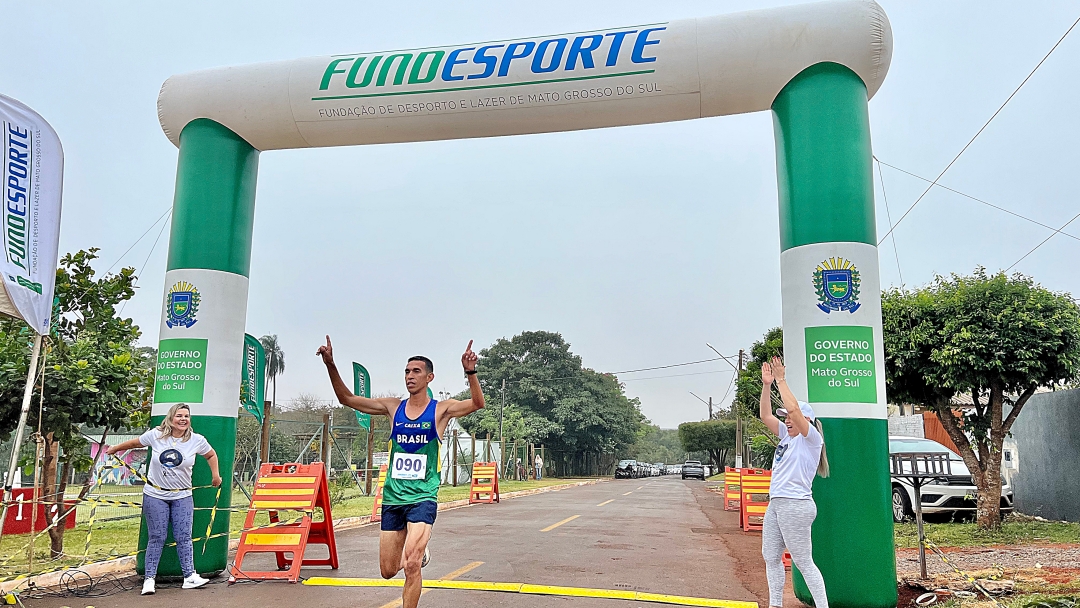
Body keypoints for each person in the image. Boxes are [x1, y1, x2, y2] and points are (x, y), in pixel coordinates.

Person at [317, 336, 484, 608]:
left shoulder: (440, 410)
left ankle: (417, 553)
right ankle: (419, 548)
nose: (410, 376)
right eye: (407, 371)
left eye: (416, 371)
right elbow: (346, 398)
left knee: (412, 564)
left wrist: (470, 372)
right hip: (394, 498)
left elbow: (477, 403)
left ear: (429, 377)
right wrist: (331, 364)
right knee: (388, 569)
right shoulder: (393, 407)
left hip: (423, 496)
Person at [106, 403, 221, 595]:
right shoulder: (156, 435)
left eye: (186, 416)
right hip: (155, 495)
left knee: (184, 536)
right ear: (171, 418)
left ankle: (190, 576)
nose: (183, 419)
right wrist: (115, 448)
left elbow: (211, 455)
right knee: (157, 536)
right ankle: (149, 579)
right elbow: (135, 443)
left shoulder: (196, 440)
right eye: (179, 416)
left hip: (182, 495)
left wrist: (215, 475)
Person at [759, 356, 831, 608]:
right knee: (770, 556)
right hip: (777, 504)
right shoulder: (786, 437)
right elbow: (766, 415)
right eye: (786, 418)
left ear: (805, 420)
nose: (787, 420)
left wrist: (781, 380)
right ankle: (775, 604)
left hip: (795, 505)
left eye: (790, 418)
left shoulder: (810, 439)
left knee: (803, 561)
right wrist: (767, 385)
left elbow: (794, 411)